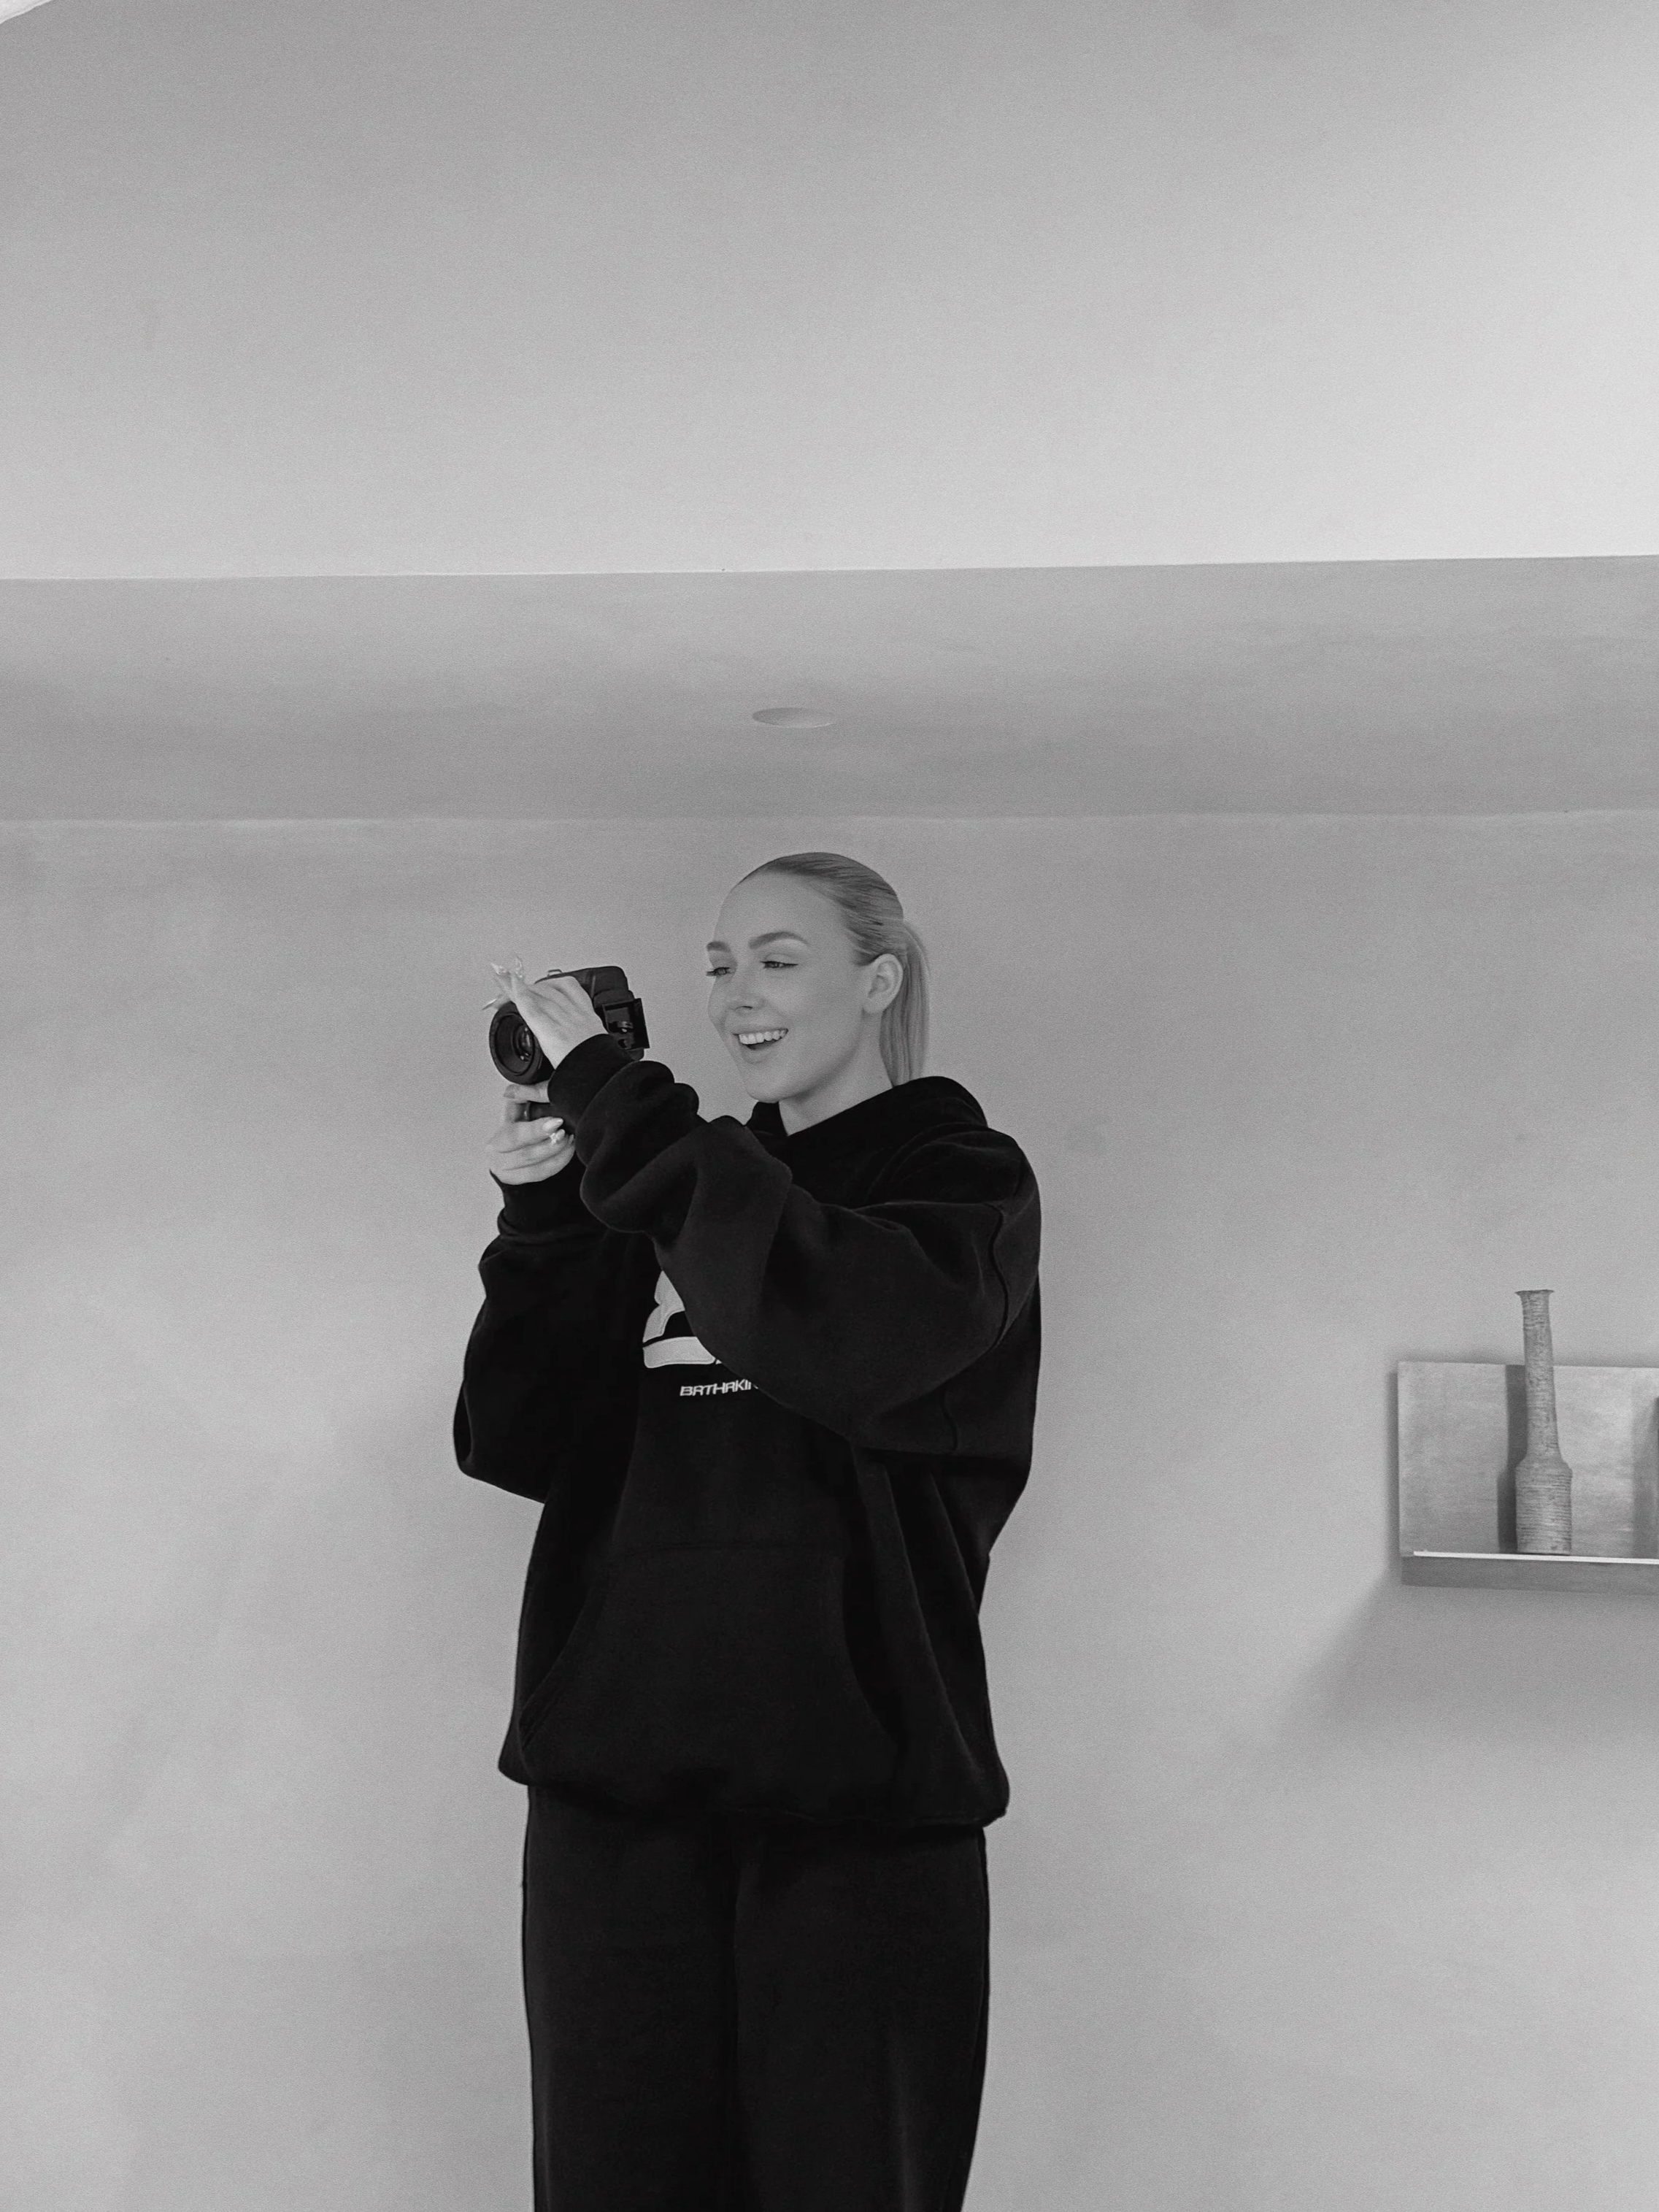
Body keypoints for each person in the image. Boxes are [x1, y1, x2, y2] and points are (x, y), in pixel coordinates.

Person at [454, 850, 1043, 2212]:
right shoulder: (676, 1185)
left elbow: (842, 1332)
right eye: (719, 966)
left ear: (877, 979)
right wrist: (546, 1211)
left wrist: (622, 1105)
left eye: (778, 958)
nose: (737, 997)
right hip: (617, 1798)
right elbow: (519, 1440)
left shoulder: (962, 1184)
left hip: (861, 1812)